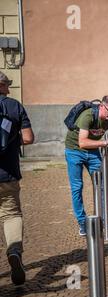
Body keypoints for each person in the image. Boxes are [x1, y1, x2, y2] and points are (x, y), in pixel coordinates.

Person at [65, 95, 108, 236]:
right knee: (77, 187)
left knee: (102, 186)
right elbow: (82, 142)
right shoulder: (87, 116)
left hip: (93, 151)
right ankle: (82, 223)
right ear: (101, 106)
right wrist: (106, 142)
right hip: (74, 150)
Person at [0, 71, 34, 285]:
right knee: (11, 214)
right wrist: (10, 140)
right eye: (7, 85)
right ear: (2, 86)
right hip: (7, 174)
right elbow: (29, 137)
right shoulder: (14, 106)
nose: (10, 88)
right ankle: (14, 251)